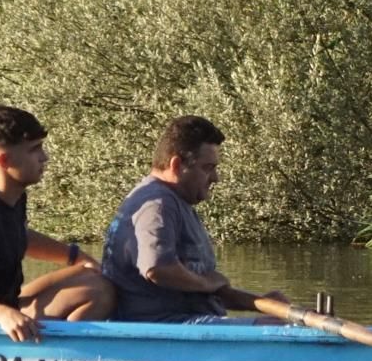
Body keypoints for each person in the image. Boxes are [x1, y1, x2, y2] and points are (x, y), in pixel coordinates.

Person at [0, 105, 115, 340]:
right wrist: (2, 314)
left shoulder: (8, 192)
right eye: (34, 149)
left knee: (94, 277)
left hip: (7, 306)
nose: (44, 157)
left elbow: (17, 234)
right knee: (101, 293)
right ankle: (65, 359)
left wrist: (76, 256)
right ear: (5, 160)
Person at [101, 115, 283, 323]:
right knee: (279, 329)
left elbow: (207, 287)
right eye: (208, 168)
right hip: (166, 330)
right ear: (177, 165)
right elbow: (157, 268)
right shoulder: (157, 205)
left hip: (192, 325)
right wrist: (205, 283)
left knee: (283, 321)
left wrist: (264, 303)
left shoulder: (175, 201)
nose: (216, 178)